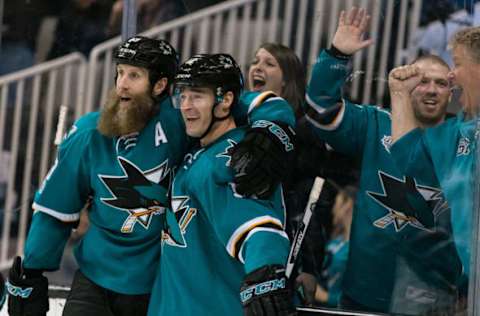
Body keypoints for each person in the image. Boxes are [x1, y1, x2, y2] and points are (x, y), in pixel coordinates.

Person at [6, 36, 296, 316]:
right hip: (95, 279)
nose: (121, 84)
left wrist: (268, 131)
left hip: (152, 285)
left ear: (159, 85)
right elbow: (55, 208)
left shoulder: (181, 121)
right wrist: (31, 271)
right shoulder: (88, 134)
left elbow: (248, 103)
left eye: (134, 75)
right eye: (119, 73)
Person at [304, 6, 462, 315]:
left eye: (440, 83)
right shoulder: (374, 123)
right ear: (405, 82)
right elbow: (318, 111)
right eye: (422, 80)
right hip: (361, 295)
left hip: (435, 299)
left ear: (451, 91)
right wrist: (336, 56)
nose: (431, 90)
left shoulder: (465, 140)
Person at [147, 53, 295, 316]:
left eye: (197, 96)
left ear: (225, 101)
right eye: (183, 95)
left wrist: (265, 276)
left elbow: (259, 229)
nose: (186, 106)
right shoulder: (198, 151)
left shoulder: (228, 159)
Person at [246, 42, 359, 304]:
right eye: (255, 61)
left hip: (282, 253)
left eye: (269, 63)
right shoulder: (238, 124)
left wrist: (309, 266)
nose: (257, 67)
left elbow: (310, 203)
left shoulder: (304, 131)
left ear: (287, 80)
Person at [389, 26, 480, 305]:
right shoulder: (457, 132)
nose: (451, 75)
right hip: (460, 289)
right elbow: (409, 162)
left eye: (457, 64)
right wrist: (400, 94)